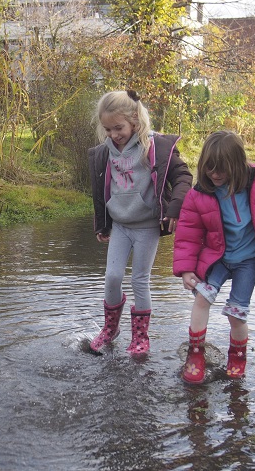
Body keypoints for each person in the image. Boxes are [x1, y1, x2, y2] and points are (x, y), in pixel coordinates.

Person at [173, 130, 255, 383]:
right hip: (217, 257)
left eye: (222, 169)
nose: (215, 175)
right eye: (210, 169)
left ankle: (237, 358)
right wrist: (187, 270)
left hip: (249, 261)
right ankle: (196, 355)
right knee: (202, 297)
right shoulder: (199, 195)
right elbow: (188, 234)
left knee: (236, 312)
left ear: (237, 164)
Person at [88, 90, 193, 356]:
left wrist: (175, 208)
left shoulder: (155, 146)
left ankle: (140, 337)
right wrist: (102, 224)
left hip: (147, 226)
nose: (113, 134)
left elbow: (182, 175)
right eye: (108, 129)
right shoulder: (105, 153)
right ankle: (110, 330)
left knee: (139, 280)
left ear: (134, 119)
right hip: (121, 225)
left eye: (118, 127)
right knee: (112, 277)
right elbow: (100, 188)